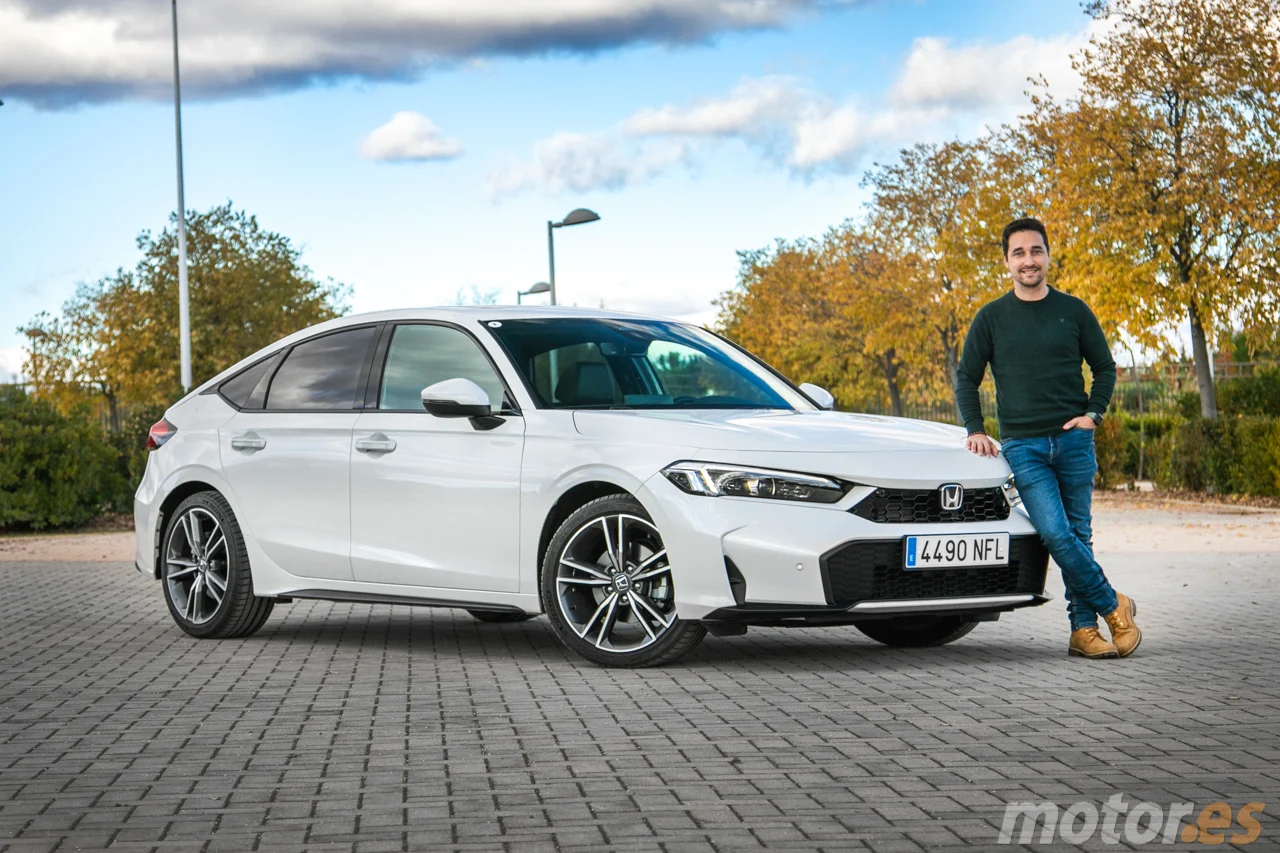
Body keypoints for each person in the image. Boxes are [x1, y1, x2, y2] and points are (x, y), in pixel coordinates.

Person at [955, 217, 1141, 659]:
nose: (1028, 260)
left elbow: (1105, 368)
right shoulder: (991, 318)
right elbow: (967, 378)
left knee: (1079, 533)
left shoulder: (1073, 310)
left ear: (1047, 255)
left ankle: (1083, 632)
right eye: (1018, 253)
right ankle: (1113, 604)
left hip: (1074, 442)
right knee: (1056, 535)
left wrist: (1093, 414)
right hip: (1024, 447)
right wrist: (975, 429)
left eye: (1035, 251)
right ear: (1006, 262)